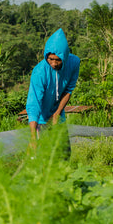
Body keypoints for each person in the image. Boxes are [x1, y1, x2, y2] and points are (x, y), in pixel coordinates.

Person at [26, 28, 80, 156]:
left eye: (58, 60)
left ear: (65, 57)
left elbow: (68, 90)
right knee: (44, 156)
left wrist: (56, 114)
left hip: (58, 114)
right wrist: (33, 137)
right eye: (50, 59)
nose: (54, 64)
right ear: (46, 56)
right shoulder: (39, 72)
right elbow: (34, 103)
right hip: (41, 118)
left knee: (64, 154)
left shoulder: (74, 63)